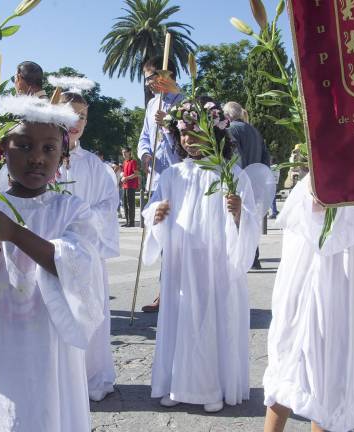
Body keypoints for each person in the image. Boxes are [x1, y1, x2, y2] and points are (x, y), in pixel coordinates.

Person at [0, 97, 103, 431]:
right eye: (25, 146)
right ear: (1, 148)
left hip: (51, 344)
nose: (37, 158)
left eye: (49, 149)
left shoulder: (72, 211)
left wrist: (14, 234)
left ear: (63, 155)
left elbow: (78, 269)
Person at [142, 101, 257, 412]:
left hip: (215, 265)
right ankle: (177, 385)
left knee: (210, 320)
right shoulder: (172, 176)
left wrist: (238, 216)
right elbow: (154, 208)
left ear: (213, 134)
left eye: (195, 133)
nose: (188, 140)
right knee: (182, 319)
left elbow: (250, 221)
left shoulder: (231, 175)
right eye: (183, 135)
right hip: (181, 263)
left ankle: (211, 388)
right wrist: (157, 213)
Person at [262, 175, 354, 432]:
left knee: (332, 365)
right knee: (291, 359)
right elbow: (302, 228)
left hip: (344, 280)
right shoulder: (312, 180)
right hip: (305, 277)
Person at [57, 91, 120, 402]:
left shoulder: (95, 166)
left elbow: (109, 206)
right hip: (48, 256)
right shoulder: (40, 156)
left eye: (82, 116)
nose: (77, 121)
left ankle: (90, 376)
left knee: (89, 319)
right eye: (71, 114)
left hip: (85, 254)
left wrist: (83, 218)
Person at [138, 56, 183, 313]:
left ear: (168, 75)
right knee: (161, 235)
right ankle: (165, 289)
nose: (149, 82)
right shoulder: (152, 104)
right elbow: (144, 136)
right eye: (146, 78)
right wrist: (145, 154)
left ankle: (176, 289)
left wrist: (168, 123)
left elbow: (192, 138)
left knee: (180, 236)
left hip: (180, 178)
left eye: (153, 76)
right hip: (158, 179)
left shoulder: (185, 101)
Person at [224, 101, 270, 269]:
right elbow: (266, 157)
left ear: (227, 116)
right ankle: (254, 257)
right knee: (251, 220)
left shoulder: (230, 130)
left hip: (241, 181)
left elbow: (235, 157)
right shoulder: (255, 131)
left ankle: (244, 257)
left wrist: (234, 181)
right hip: (256, 181)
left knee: (238, 220)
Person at [121, 148, 139, 227]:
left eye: (125, 152)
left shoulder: (133, 162)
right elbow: (124, 174)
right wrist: (122, 177)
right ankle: (127, 221)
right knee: (125, 204)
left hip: (131, 186)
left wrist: (127, 178)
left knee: (130, 204)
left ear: (129, 153)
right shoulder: (125, 162)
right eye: (123, 152)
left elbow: (136, 174)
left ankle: (131, 222)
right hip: (125, 185)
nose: (124, 154)